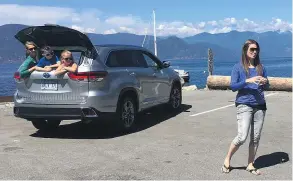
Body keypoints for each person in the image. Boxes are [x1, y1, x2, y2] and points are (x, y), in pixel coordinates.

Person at [221, 39, 269, 175]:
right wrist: (248, 80)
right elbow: (232, 86)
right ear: (245, 51)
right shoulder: (238, 67)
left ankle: (250, 164)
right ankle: (227, 159)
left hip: (260, 105)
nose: (254, 52)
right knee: (242, 136)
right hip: (244, 104)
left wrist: (265, 82)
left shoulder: (261, 68)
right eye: (252, 49)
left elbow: (267, 85)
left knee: (255, 138)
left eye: (256, 49)